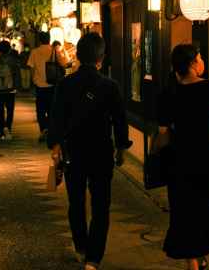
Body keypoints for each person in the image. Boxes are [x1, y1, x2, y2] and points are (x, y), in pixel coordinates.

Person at [48, 32, 132, 270]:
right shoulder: (109, 86)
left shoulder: (65, 84)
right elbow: (119, 120)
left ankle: (80, 246)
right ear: (101, 58)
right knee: (101, 204)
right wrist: (121, 148)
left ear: (78, 56)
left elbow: (56, 118)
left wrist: (56, 147)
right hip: (101, 152)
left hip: (73, 151)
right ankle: (93, 258)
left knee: (75, 201)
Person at [156, 44, 209, 270]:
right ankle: (197, 258)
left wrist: (156, 151)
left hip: (178, 159)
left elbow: (163, 133)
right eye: (200, 57)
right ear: (193, 63)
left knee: (182, 209)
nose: (202, 61)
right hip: (204, 157)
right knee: (203, 206)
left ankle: (193, 259)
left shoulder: (168, 92)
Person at [27, 31, 67, 141]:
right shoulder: (54, 50)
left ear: (40, 40)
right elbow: (63, 63)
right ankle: (50, 129)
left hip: (39, 85)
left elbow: (31, 67)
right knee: (51, 108)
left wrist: (33, 80)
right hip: (53, 84)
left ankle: (43, 129)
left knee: (40, 109)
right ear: (49, 39)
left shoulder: (34, 52)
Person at [0, 41, 21, 140]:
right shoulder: (13, 61)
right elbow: (17, 75)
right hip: (10, 90)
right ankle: (8, 128)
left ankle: (1, 131)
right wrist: (17, 86)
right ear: (9, 49)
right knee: (10, 110)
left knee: (0, 110)